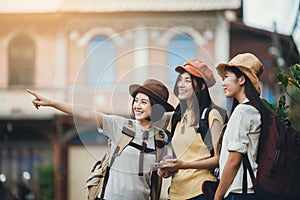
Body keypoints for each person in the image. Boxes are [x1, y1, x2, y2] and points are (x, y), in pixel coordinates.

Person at [27, 78, 174, 200]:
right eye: (136, 101)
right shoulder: (120, 125)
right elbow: (87, 113)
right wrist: (52, 103)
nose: (137, 106)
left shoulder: (160, 138)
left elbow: (156, 180)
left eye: (143, 102)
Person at [158, 59, 225, 200]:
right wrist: (168, 167)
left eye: (188, 81)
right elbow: (181, 155)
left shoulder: (210, 115)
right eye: (180, 80)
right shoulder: (177, 116)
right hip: (176, 192)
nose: (181, 85)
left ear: (201, 87)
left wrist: (184, 165)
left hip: (200, 191)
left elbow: (219, 159)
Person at [213, 53, 272, 200]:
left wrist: (218, 196)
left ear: (241, 79)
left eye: (226, 76)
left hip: (237, 192)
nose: (223, 82)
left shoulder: (243, 111)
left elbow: (234, 160)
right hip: (246, 190)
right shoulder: (252, 109)